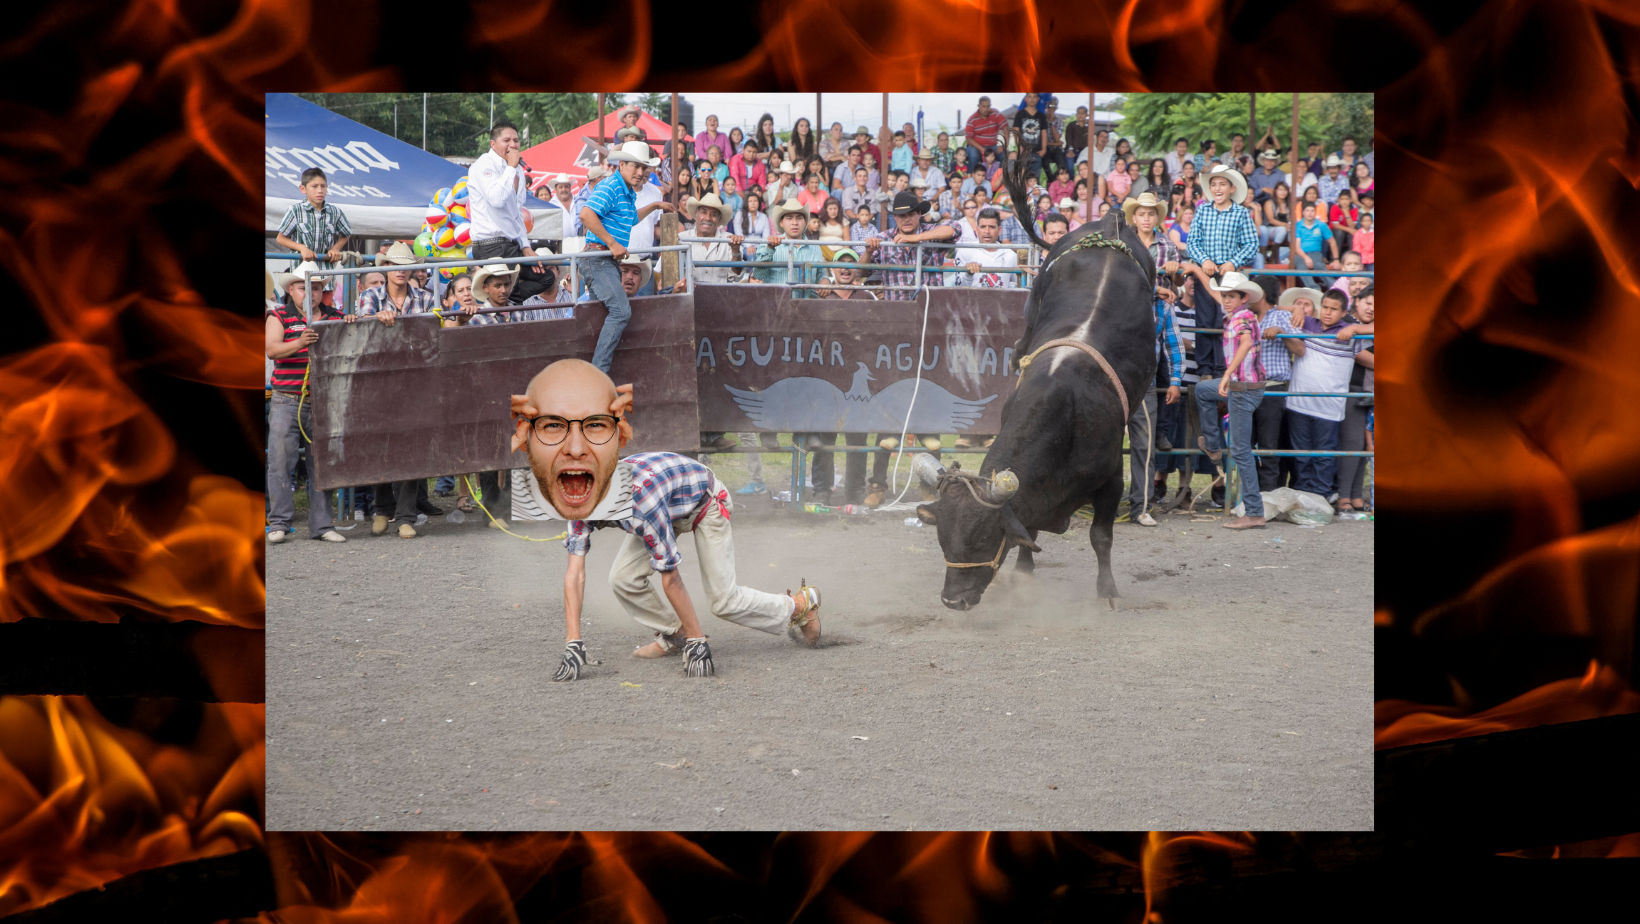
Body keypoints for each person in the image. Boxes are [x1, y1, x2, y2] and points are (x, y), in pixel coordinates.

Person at [511, 361, 822, 681]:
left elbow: (670, 577)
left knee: (723, 601)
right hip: (667, 504)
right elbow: (574, 574)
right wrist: (573, 642)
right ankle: (676, 636)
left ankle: (799, 606)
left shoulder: (639, 502)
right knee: (623, 578)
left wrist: (700, 641)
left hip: (704, 503)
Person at [265, 262, 350, 545]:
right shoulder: (278, 315)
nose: (310, 293)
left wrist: (351, 324)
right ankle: (279, 523)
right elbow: (272, 350)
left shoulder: (335, 316)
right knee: (279, 463)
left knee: (321, 465)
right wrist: (301, 342)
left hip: (325, 402)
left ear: (321, 290)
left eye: (315, 288)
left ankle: (322, 525)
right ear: (292, 290)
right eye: (304, 287)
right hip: (286, 399)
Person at [578, 140, 676, 373]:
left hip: (604, 260)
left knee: (597, 314)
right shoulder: (610, 186)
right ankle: (597, 374)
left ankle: (588, 371)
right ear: (621, 164)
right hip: (598, 258)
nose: (641, 173)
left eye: (644, 168)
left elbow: (631, 219)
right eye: (635, 166)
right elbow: (586, 214)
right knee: (621, 311)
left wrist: (654, 206)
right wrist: (612, 243)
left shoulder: (626, 191)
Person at [1122, 193, 1184, 526]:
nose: (1146, 218)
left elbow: (1180, 290)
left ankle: (1140, 504)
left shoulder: (1168, 246)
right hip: (1118, 359)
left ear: (1156, 217)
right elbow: (1120, 284)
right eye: (1141, 214)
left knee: (1144, 439)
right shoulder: (1123, 244)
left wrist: (1172, 278)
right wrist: (1155, 285)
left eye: (1151, 214)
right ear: (1135, 216)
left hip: (1144, 364)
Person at [1286, 289, 1371, 504]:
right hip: (1299, 402)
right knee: (1301, 453)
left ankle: (1321, 497)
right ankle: (1303, 498)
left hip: (1329, 407)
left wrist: (1354, 327)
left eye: (1334, 309)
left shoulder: (1350, 334)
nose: (1328, 313)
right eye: (1325, 307)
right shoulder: (1307, 323)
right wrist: (1296, 307)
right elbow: (1274, 309)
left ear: (1344, 313)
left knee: (1324, 454)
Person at [1197, 271, 1267, 529]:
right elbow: (1216, 293)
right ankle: (1213, 445)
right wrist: (1195, 271)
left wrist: (1226, 375)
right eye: (1224, 295)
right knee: (1202, 391)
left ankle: (1255, 512)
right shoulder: (1239, 313)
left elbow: (1246, 343)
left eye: (1230, 296)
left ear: (1243, 297)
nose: (1225, 300)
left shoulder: (1242, 318)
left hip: (1241, 388)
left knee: (1240, 451)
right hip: (1245, 386)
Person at [470, 121, 551, 302]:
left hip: (512, 244)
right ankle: (504, 306)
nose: (513, 145)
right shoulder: (484, 165)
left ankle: (505, 302)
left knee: (547, 277)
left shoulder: (516, 169)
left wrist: (526, 246)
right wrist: (510, 168)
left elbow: (516, 212)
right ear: (493, 144)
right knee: (507, 293)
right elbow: (497, 200)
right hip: (490, 245)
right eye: (506, 140)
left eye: (516, 140)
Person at [859, 190, 957, 303]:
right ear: (895, 216)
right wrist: (868, 252)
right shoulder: (884, 238)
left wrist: (916, 238)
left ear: (919, 214)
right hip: (897, 308)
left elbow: (955, 228)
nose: (906, 219)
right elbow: (861, 272)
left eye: (911, 214)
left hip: (930, 308)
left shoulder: (930, 231)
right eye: (902, 215)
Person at [1334, 283, 1375, 511]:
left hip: (1366, 390)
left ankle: (1356, 495)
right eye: (1368, 303)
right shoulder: (1347, 322)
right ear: (1357, 300)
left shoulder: (1364, 327)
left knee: (1362, 444)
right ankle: (1343, 497)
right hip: (1350, 386)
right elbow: (1358, 355)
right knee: (1351, 442)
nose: (1371, 309)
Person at [1186, 165, 1258, 280]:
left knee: (1230, 298)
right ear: (1210, 189)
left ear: (1232, 188)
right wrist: (1205, 260)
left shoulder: (1241, 213)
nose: (1217, 188)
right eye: (1213, 185)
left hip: (1231, 274)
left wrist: (1233, 262)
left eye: (1222, 184)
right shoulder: (1202, 210)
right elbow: (1192, 242)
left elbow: (1251, 244)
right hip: (1204, 273)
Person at [275, 168, 351, 270]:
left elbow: (347, 234)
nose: (320, 190)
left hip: (326, 271)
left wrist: (335, 249)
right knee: (304, 286)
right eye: (314, 186)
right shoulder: (296, 210)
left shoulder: (335, 211)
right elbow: (280, 238)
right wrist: (302, 248)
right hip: (302, 270)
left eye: (323, 186)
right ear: (303, 189)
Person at [751, 198, 824, 292]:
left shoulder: (815, 247)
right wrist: (770, 249)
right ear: (781, 223)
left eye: (799, 218)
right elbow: (758, 275)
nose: (795, 223)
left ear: (805, 222)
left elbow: (821, 275)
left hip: (807, 302)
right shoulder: (767, 244)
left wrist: (825, 281)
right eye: (789, 218)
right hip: (777, 302)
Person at [952, 207, 1020, 290]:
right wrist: (968, 274)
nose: (987, 231)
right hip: (973, 302)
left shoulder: (1010, 255)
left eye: (991, 227)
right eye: (983, 227)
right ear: (977, 230)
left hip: (1001, 302)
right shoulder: (965, 251)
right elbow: (958, 290)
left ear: (999, 230)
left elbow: (1018, 287)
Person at [1292, 201, 1337, 288]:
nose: (1310, 213)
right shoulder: (1298, 225)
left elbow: (1332, 242)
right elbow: (1296, 247)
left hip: (1316, 252)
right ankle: (1314, 289)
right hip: (1301, 254)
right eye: (1307, 210)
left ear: (1315, 212)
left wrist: (1336, 259)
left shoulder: (1321, 225)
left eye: (1312, 211)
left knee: (1318, 265)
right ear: (1303, 212)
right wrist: (1306, 257)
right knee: (1300, 264)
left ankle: (1334, 287)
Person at [963, 96, 1009, 166]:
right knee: (973, 156)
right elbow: (969, 138)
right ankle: (972, 175)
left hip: (992, 146)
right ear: (979, 106)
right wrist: (983, 150)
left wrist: (1005, 145)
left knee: (1006, 155)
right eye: (984, 107)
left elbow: (1006, 128)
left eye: (988, 106)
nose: (986, 109)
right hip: (976, 147)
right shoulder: (972, 119)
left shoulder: (995, 114)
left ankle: (1002, 175)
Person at [1012, 92, 1047, 180]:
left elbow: (1044, 133)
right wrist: (1020, 147)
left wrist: (1044, 149)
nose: (1032, 99)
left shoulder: (1041, 116)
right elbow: (1015, 132)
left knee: (1035, 180)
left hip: (1037, 152)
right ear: (1025, 99)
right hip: (1023, 151)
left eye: (1034, 97)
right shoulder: (1020, 114)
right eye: (1029, 97)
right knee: (1023, 179)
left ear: (1038, 99)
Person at [1328, 188, 1360, 255]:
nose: (1344, 201)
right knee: (1340, 233)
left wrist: (1346, 213)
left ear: (1350, 200)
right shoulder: (1335, 207)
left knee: (1353, 234)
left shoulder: (1354, 208)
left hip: (1348, 231)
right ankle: (1335, 259)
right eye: (1342, 199)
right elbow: (1335, 225)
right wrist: (1349, 229)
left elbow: (1352, 226)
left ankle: (1354, 256)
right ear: (1338, 199)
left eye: (1346, 199)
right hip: (1335, 231)